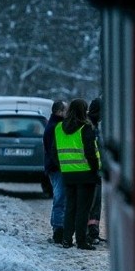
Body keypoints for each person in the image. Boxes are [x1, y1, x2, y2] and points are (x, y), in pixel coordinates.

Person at [52, 98, 101, 250]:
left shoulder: (59, 127)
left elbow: (54, 152)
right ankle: (81, 241)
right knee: (83, 209)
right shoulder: (85, 128)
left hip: (68, 174)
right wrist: (95, 171)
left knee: (70, 207)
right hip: (86, 174)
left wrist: (63, 167)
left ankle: (67, 239)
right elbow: (90, 153)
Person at [43, 100, 68, 243]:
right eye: (65, 110)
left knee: (59, 198)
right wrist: (61, 165)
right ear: (59, 112)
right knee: (60, 198)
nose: (67, 113)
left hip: (53, 167)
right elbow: (54, 151)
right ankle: (58, 230)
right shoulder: (55, 127)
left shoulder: (52, 125)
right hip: (56, 168)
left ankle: (57, 227)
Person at [87, 98, 103, 244]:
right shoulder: (88, 125)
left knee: (96, 203)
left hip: (97, 169)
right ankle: (88, 233)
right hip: (88, 169)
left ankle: (93, 232)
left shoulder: (96, 125)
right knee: (90, 203)